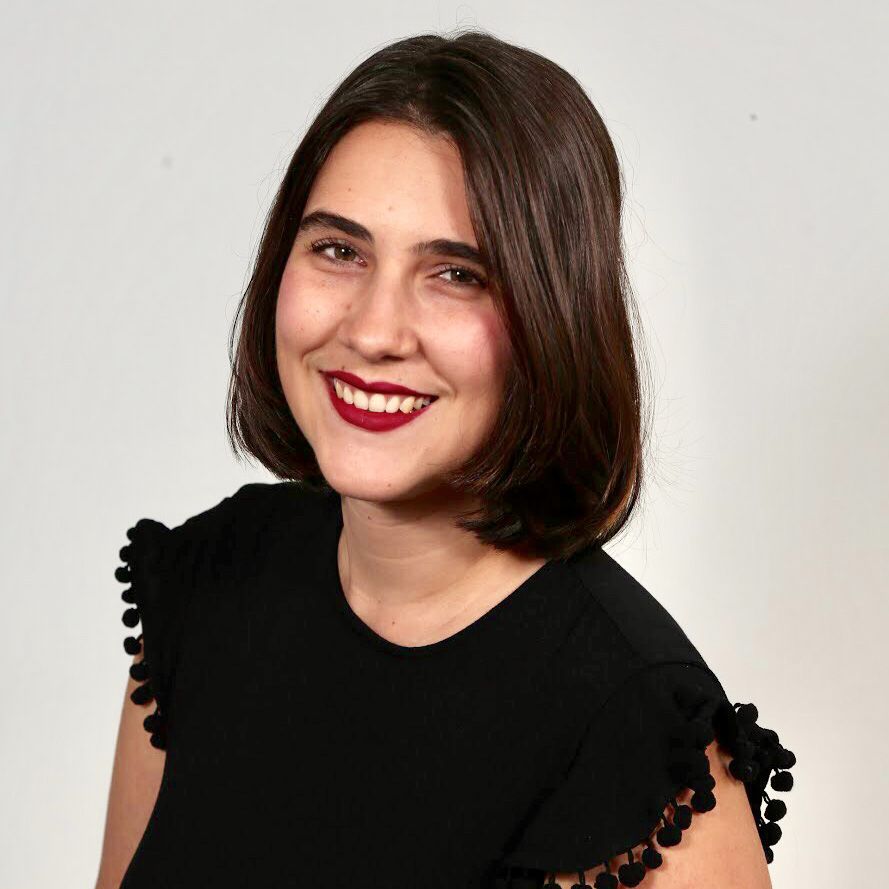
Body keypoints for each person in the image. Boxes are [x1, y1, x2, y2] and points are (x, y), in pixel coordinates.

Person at [94, 29, 795, 889]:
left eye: (457, 273)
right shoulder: (207, 584)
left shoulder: (636, 738)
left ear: (555, 316)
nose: (372, 331)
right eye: (338, 250)